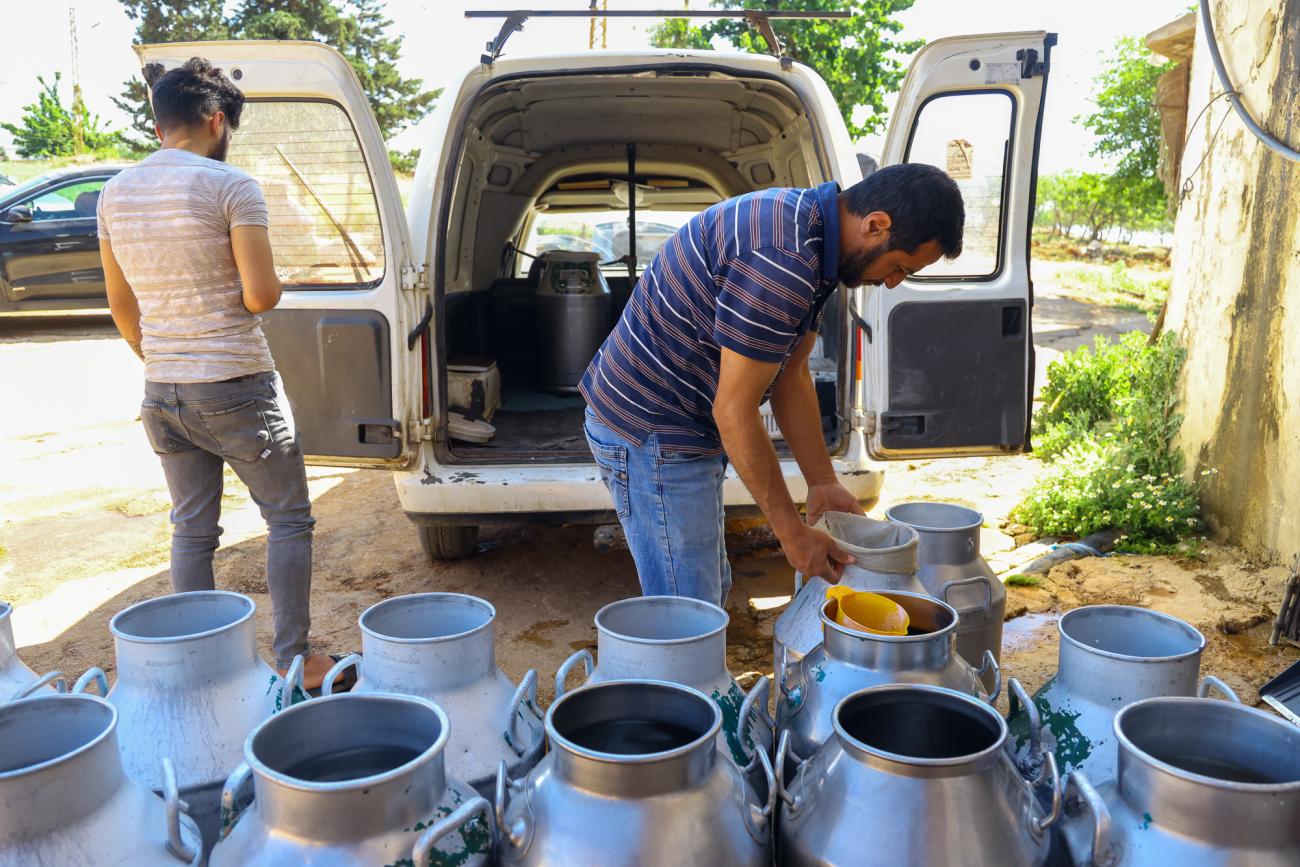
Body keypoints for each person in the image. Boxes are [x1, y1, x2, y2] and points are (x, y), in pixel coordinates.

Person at [581, 165, 965, 607]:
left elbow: (791, 373)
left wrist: (821, 481)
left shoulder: (814, 238)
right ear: (875, 225)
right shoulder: (782, 259)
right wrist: (791, 533)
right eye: (899, 266)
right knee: (687, 613)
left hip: (685, 421)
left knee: (705, 593)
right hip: (651, 427)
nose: (894, 281)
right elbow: (734, 411)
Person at [97, 58, 336, 690]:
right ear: (216, 119)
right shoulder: (232, 186)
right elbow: (260, 296)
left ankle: (199, 666)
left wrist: (163, 360)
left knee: (192, 529)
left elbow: (123, 307)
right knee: (287, 519)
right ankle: (294, 661)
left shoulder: (114, 191)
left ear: (158, 126)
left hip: (162, 391)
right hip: (237, 384)